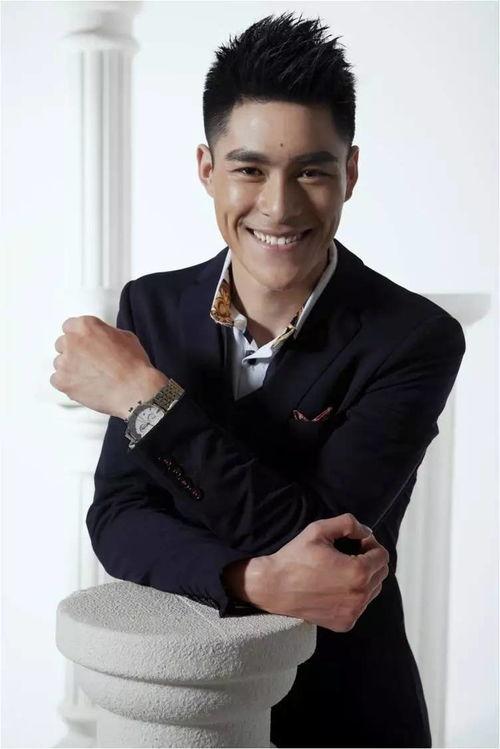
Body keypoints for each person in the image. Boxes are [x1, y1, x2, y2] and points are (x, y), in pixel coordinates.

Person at [50, 11, 466, 747]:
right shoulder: (152, 306)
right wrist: (251, 579)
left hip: (346, 710)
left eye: (311, 170)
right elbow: (117, 519)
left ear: (351, 173)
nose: (279, 206)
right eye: (249, 169)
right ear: (207, 169)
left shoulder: (415, 338)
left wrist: (146, 399)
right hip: (182, 711)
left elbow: (326, 542)